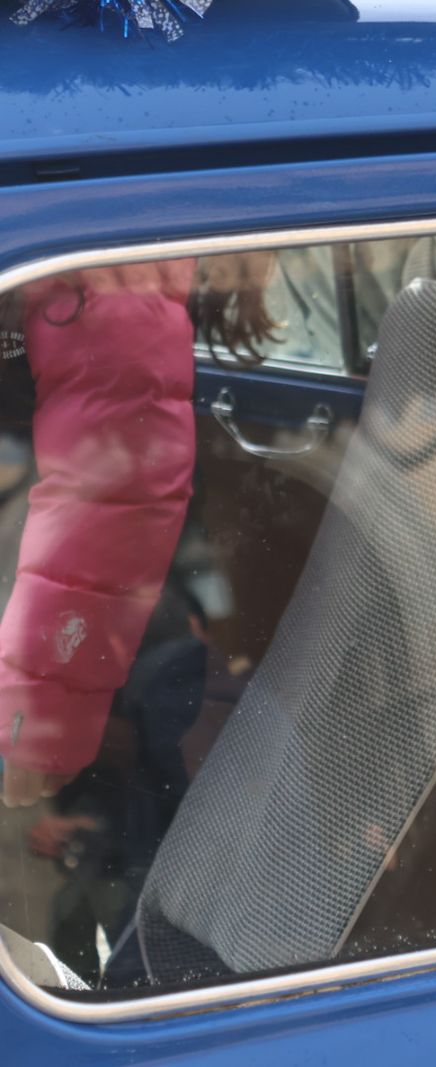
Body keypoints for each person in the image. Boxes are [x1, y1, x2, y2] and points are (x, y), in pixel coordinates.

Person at [0, 253, 275, 807]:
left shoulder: (109, 286)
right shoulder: (114, 285)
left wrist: (37, 728)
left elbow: (107, 505)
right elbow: (108, 502)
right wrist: (38, 730)